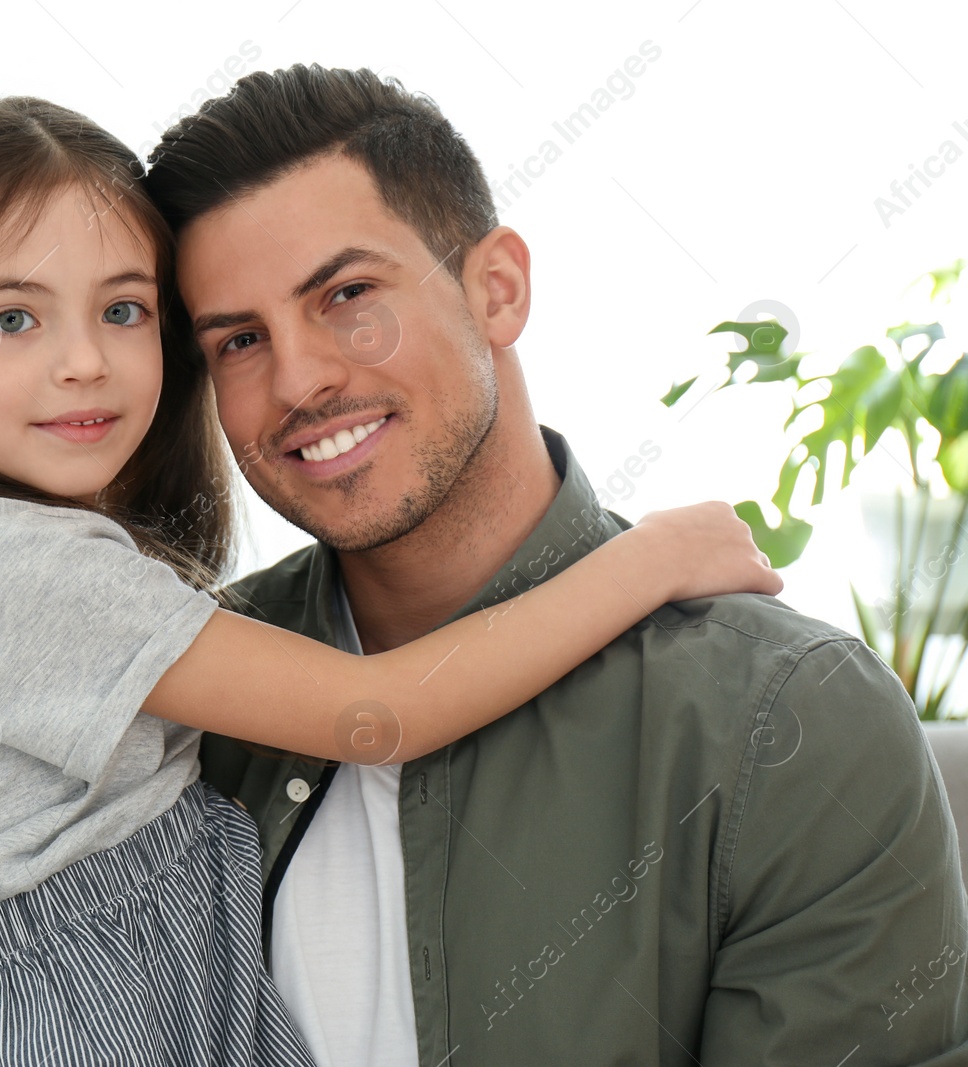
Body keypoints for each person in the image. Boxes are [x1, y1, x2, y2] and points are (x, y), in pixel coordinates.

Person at [0, 95, 779, 1066]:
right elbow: (378, 712)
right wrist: (645, 557)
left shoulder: (18, 559)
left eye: (122, 309)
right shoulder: (12, 568)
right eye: (10, 319)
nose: (83, 361)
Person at [143, 63, 968, 1066]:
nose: (300, 377)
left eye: (348, 294)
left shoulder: (791, 721)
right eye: (237, 340)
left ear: (496, 288)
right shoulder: (177, 703)